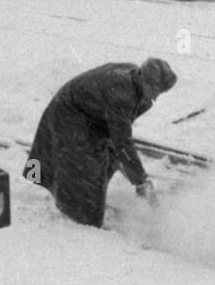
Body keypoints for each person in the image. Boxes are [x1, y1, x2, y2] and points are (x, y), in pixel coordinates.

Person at [24, 57, 178, 227]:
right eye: (154, 89)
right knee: (85, 166)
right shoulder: (122, 93)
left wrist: (136, 176)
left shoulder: (135, 81)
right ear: (143, 79)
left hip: (91, 116)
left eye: (160, 92)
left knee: (109, 157)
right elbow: (123, 142)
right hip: (69, 115)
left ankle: (84, 199)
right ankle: (76, 213)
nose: (156, 96)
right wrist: (140, 181)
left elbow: (120, 139)